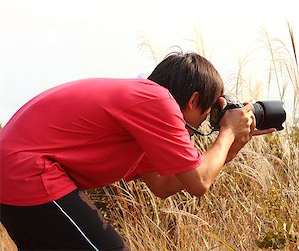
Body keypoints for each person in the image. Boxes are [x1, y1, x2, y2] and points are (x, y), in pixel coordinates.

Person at [0, 52, 275, 250]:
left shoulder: (142, 111)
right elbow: (199, 182)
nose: (205, 122)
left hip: (12, 177)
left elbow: (164, 186)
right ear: (193, 100)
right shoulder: (157, 100)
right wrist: (227, 132)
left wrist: (235, 142)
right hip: (32, 174)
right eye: (206, 113)